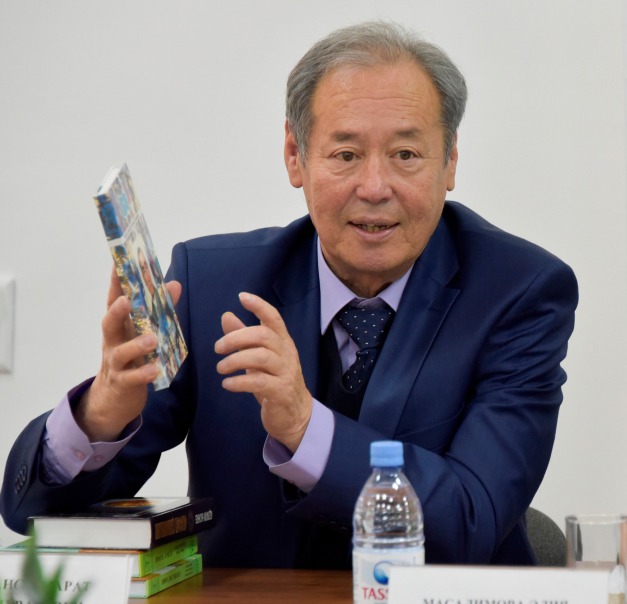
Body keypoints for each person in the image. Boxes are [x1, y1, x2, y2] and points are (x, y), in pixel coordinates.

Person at [0, 21, 578, 568]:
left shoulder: (520, 293)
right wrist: (101, 414)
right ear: (295, 156)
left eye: (406, 154)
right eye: (346, 154)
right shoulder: (210, 286)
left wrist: (306, 428)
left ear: (450, 160)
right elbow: (35, 515)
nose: (375, 187)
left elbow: (472, 519)